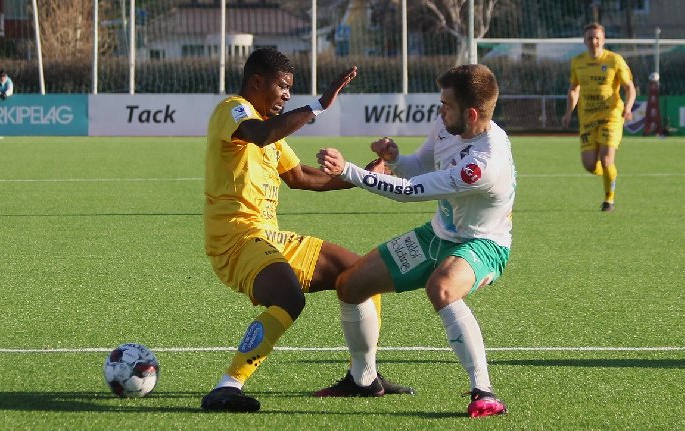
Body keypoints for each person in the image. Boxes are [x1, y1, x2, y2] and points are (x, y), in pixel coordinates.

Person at [200, 48, 412, 413]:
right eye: (282, 86)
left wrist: (360, 175)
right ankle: (227, 386)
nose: (286, 95)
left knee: (361, 274)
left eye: (290, 89)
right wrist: (318, 105)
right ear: (256, 82)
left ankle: (363, 378)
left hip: (267, 236)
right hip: (236, 240)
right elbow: (260, 134)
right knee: (289, 298)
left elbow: (301, 178)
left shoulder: (271, 129)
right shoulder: (234, 110)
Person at [315, 64, 515, 418]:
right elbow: (419, 167)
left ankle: (483, 391)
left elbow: (408, 192)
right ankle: (363, 379)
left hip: (482, 244)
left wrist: (348, 171)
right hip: (437, 234)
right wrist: (396, 158)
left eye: (446, 105)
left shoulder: (484, 163)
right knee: (350, 285)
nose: (440, 110)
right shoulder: (447, 125)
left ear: (470, 114)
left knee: (442, 287)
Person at [560, 23, 636, 212]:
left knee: (607, 158)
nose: (593, 41)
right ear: (584, 41)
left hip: (611, 116)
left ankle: (609, 199)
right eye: (590, 38)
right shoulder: (577, 62)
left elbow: (630, 88)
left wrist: (627, 107)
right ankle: (608, 174)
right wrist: (569, 112)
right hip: (587, 119)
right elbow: (574, 89)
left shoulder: (614, 60)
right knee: (589, 164)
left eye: (597, 38)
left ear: (603, 40)